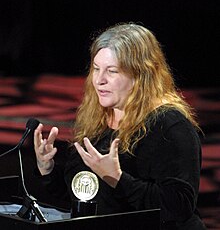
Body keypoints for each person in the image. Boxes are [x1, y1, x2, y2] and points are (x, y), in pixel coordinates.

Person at [34, 22, 206, 229]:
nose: (99, 80)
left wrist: (117, 178)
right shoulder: (97, 117)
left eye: (112, 71)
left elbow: (179, 206)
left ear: (141, 75)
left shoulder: (171, 126)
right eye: (96, 69)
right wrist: (48, 169)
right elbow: (86, 197)